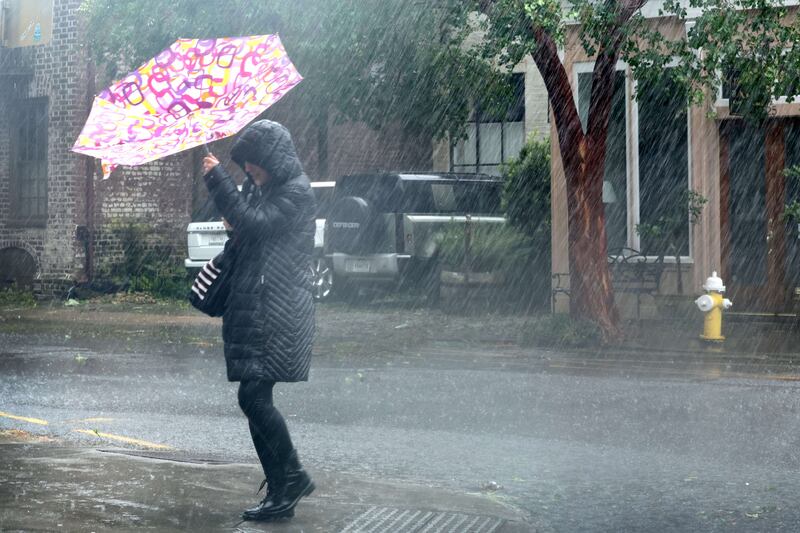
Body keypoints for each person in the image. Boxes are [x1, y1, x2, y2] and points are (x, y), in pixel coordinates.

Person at [201, 120, 317, 522]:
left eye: (253, 164)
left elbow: (258, 224)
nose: (248, 170)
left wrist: (218, 179)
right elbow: (252, 232)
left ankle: (293, 477)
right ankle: (282, 487)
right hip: (261, 305)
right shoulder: (269, 190)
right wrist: (235, 224)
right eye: (245, 165)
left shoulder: (297, 192)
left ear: (270, 159)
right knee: (253, 397)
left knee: (253, 397)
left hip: (278, 308)